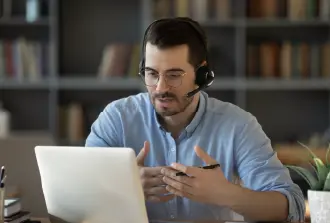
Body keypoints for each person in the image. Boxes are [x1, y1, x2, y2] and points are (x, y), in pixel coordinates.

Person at [85, 17, 306, 222]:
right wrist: (123, 188)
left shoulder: (238, 125)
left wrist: (226, 194)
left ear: (201, 76)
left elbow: (291, 206)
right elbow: (78, 192)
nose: (160, 88)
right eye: (152, 74)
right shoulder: (116, 118)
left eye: (174, 75)